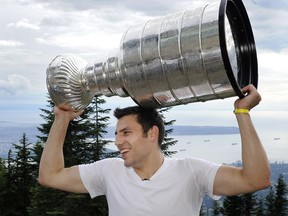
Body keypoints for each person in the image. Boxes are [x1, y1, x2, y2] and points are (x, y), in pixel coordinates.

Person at [38, 84, 271, 215]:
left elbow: (256, 179)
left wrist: (243, 112)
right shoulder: (108, 171)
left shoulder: (191, 172)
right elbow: (50, 176)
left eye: (126, 133)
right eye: (116, 134)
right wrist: (62, 119)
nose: (118, 142)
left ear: (152, 134)